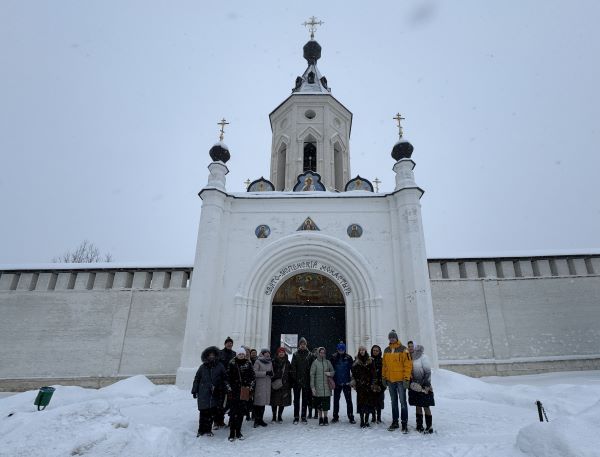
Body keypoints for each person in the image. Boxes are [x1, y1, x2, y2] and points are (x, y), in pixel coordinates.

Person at [191, 346, 226, 437]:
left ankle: (208, 430)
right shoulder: (202, 367)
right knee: (203, 412)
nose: (211, 357)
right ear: (206, 356)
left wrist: (222, 387)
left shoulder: (220, 366)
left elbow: (224, 378)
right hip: (203, 393)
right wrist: (194, 390)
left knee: (211, 413)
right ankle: (201, 430)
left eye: (213, 355)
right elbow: (197, 379)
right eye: (210, 355)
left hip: (214, 393)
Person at [382, 329, 413, 432]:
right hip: (391, 380)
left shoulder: (404, 350)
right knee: (393, 402)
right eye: (390, 337)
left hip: (400, 380)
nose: (392, 339)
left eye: (393, 337)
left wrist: (406, 379)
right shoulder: (386, 350)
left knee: (403, 402)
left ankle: (404, 424)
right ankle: (395, 422)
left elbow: (408, 365)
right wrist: (384, 377)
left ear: (396, 338)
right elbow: (384, 366)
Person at [225, 347, 255, 441]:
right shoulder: (232, 363)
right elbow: (227, 378)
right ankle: (231, 433)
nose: (241, 356)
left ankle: (238, 432)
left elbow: (253, 377)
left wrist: (250, 387)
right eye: (239, 354)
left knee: (241, 412)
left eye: (242, 354)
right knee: (233, 413)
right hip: (234, 391)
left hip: (244, 390)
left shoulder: (248, 363)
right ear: (237, 355)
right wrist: (229, 389)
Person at [407, 342, 435, 433]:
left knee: (426, 406)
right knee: (418, 405)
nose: (410, 348)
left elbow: (428, 372)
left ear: (415, 347)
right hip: (414, 386)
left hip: (424, 385)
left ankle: (429, 426)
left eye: (412, 346)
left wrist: (425, 385)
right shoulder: (409, 357)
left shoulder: (423, 357)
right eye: (409, 346)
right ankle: (419, 426)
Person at [290, 337, 314, 424]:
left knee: (305, 399)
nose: (302, 345)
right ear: (299, 345)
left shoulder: (310, 355)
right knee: (296, 400)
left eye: (304, 344)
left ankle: (303, 416)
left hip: (306, 381)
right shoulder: (295, 355)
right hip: (297, 381)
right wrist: (295, 378)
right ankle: (296, 417)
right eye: (301, 344)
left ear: (306, 345)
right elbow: (293, 368)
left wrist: (310, 379)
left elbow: (312, 368)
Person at [330, 342, 356, 424]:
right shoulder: (333, 357)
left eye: (342, 349)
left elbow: (353, 369)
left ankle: (351, 417)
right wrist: (331, 380)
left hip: (347, 383)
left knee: (349, 401)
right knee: (336, 401)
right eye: (339, 349)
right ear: (337, 349)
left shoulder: (348, 358)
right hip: (337, 382)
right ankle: (335, 417)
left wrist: (353, 379)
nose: (341, 350)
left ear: (345, 349)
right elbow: (330, 369)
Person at [351, 345, 376, 428]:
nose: (362, 351)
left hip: (368, 385)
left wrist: (372, 383)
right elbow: (353, 373)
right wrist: (356, 382)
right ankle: (362, 420)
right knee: (361, 403)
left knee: (368, 403)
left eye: (363, 350)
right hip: (360, 386)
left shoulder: (370, 360)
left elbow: (373, 373)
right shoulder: (356, 361)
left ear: (365, 351)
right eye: (360, 350)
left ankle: (366, 420)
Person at [310, 346, 335, 426]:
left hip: (327, 387)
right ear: (318, 353)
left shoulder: (328, 362)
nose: (322, 354)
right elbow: (312, 375)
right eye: (321, 352)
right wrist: (312, 387)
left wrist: (330, 373)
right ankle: (320, 418)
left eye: (323, 353)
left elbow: (333, 371)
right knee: (319, 404)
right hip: (318, 387)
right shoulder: (315, 362)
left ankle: (326, 418)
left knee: (326, 404)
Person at [215, 336, 236, 428]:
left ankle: (227, 420)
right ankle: (217, 421)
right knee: (220, 401)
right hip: (221, 381)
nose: (229, 344)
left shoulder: (234, 354)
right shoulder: (219, 353)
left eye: (231, 343)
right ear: (225, 344)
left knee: (229, 401)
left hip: (231, 380)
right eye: (228, 343)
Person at [253, 348, 273, 428]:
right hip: (260, 385)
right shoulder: (258, 361)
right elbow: (254, 372)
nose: (267, 354)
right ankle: (256, 420)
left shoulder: (270, 362)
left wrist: (271, 374)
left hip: (267, 385)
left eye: (268, 353)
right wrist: (265, 373)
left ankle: (261, 419)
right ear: (262, 353)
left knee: (263, 404)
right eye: (266, 353)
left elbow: (272, 372)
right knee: (258, 403)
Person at [270, 347, 292, 423]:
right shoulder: (273, 361)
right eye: (280, 352)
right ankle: (273, 416)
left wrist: (289, 383)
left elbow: (290, 373)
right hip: (275, 383)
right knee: (274, 401)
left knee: (282, 401)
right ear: (278, 353)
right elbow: (271, 372)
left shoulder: (287, 362)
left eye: (282, 352)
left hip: (284, 384)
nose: (281, 353)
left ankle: (279, 416)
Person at [370, 344, 386, 424]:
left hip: (380, 383)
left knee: (379, 400)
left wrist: (382, 383)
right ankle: (373, 416)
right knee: (372, 400)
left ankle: (379, 417)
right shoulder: (369, 360)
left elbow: (384, 371)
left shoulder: (382, 360)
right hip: (371, 383)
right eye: (374, 350)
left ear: (379, 352)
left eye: (376, 351)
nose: (375, 352)